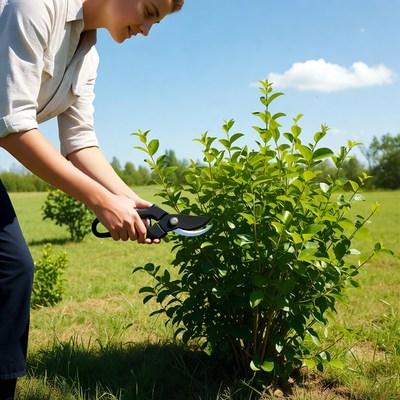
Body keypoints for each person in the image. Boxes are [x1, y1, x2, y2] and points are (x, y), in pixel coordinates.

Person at [0, 0, 184, 397]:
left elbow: (81, 142)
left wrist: (137, 204)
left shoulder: (88, 57)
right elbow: (13, 126)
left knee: (11, 272)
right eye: (150, 12)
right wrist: (100, 201)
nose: (148, 30)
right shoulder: (35, 8)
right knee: (12, 269)